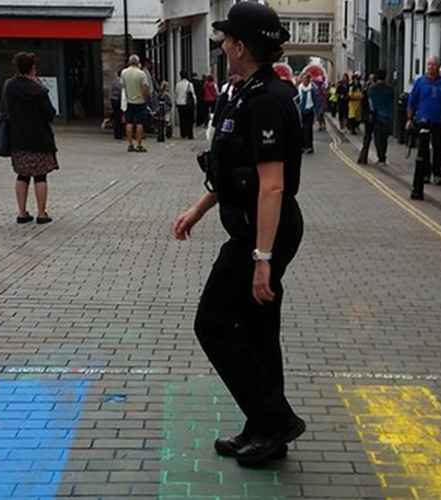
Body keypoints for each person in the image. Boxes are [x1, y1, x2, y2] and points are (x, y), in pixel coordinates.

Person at [173, 1, 305, 467]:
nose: (223, 45)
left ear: (241, 46)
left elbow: (271, 184)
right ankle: (264, 428)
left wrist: (262, 258)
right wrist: (198, 208)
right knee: (257, 330)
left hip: (263, 232)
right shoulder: (243, 92)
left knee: (212, 323)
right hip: (253, 227)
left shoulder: (268, 99)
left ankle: (274, 419)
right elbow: (232, 173)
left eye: (227, 39)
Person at [4, 52, 58, 224]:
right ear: (32, 68)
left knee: (22, 175)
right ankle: (41, 214)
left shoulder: (9, 86)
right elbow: (49, 114)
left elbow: (5, 107)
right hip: (39, 139)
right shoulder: (38, 90)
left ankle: (22, 212)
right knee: (40, 176)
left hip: (17, 138)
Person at [407, 55, 441, 198]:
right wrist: (409, 118)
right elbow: (412, 100)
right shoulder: (420, 82)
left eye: (434, 64)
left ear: (438, 66)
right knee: (423, 149)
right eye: (429, 64)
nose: (431, 67)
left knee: (437, 146)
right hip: (423, 119)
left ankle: (438, 174)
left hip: (438, 120)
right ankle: (425, 174)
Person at [121, 54, 150, 152]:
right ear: (138, 62)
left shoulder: (124, 73)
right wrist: (146, 99)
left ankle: (130, 144)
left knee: (129, 123)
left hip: (130, 101)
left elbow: (123, 86)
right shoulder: (141, 74)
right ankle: (139, 144)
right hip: (140, 101)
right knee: (139, 123)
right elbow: (145, 88)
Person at [368, 69, 394, 165]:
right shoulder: (390, 88)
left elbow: (371, 103)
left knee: (378, 137)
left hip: (377, 115)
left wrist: (371, 113)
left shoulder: (372, 88)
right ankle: (383, 156)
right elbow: (391, 99)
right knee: (385, 138)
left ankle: (380, 157)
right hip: (387, 114)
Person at [298, 73, 319, 154]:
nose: (305, 81)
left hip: (309, 111)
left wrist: (318, 112)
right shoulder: (298, 88)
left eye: (307, 79)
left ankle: (309, 146)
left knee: (308, 129)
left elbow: (316, 101)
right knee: (301, 129)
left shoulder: (312, 89)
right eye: (304, 79)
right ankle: (302, 146)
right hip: (301, 111)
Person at [175, 70, 196, 139]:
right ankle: (189, 134)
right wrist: (195, 103)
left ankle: (183, 133)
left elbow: (176, 93)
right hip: (188, 104)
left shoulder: (178, 84)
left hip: (180, 103)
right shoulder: (189, 84)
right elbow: (193, 94)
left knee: (182, 119)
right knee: (189, 119)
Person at [109, 69, 124, 140]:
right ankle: (118, 134)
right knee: (118, 117)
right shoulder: (118, 81)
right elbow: (121, 90)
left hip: (114, 99)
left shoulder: (114, 80)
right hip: (117, 100)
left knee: (117, 117)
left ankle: (118, 133)